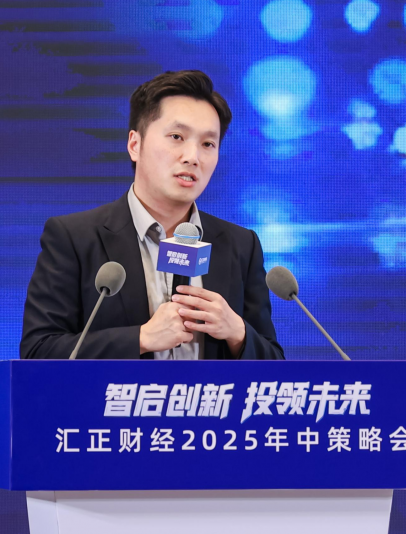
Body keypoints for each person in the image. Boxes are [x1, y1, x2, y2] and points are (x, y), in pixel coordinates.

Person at [20, 70, 284, 361]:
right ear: (135, 145)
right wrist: (141, 339)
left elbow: (274, 364)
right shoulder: (74, 238)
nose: (192, 157)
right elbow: (39, 351)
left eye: (208, 144)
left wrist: (239, 334)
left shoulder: (241, 245)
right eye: (176, 137)